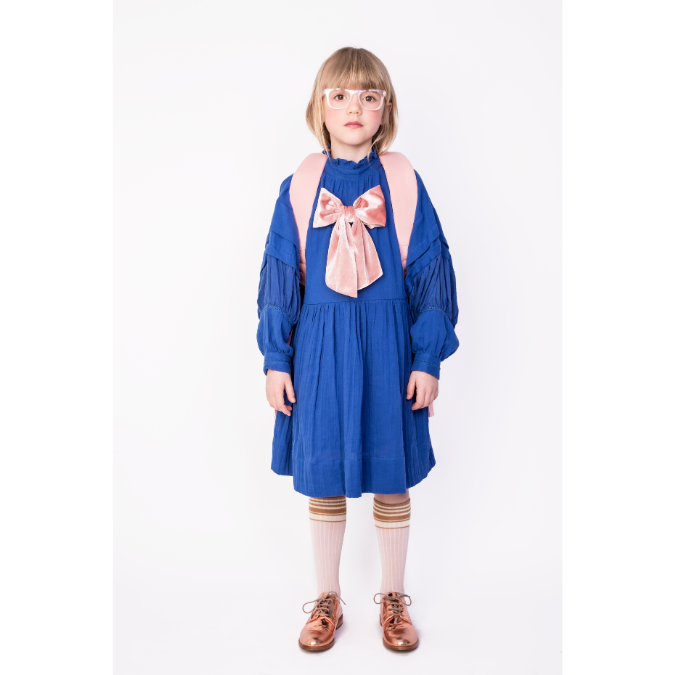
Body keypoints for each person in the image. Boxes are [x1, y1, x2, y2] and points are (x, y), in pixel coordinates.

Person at [256, 46, 459, 652]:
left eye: (369, 97)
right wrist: (276, 359)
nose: (354, 107)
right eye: (340, 95)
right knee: (324, 477)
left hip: (388, 350)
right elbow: (279, 277)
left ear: (385, 110)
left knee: (392, 476)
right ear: (319, 108)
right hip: (320, 351)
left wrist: (426, 358)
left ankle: (393, 595)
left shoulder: (403, 182)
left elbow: (431, 276)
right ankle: (328, 597)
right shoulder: (300, 186)